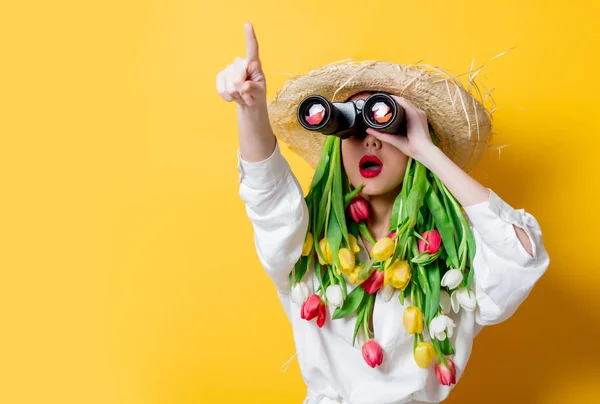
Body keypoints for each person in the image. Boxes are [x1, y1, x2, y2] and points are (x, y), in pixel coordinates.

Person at [216, 22, 550, 404]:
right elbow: (267, 198)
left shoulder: (455, 253)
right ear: (334, 145)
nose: (371, 138)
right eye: (351, 127)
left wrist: (425, 149)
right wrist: (250, 108)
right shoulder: (304, 244)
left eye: (385, 124)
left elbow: (520, 255)